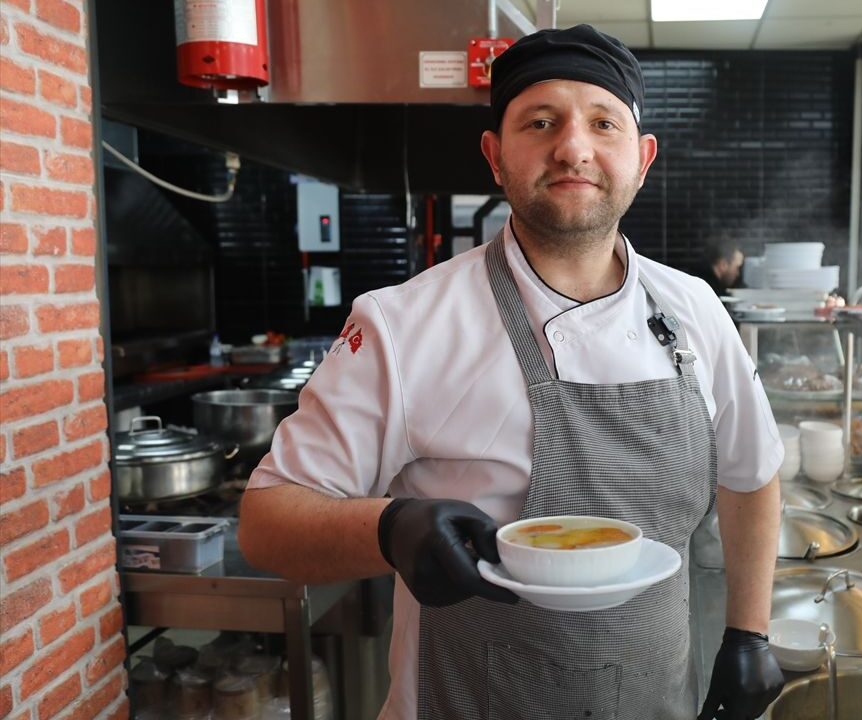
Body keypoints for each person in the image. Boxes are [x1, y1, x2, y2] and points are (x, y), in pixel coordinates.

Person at [237, 25, 785, 720]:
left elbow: (752, 474)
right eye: (541, 122)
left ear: (642, 159)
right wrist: (389, 528)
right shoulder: (402, 324)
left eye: (603, 123)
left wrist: (748, 632)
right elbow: (265, 522)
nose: (574, 148)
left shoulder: (695, 309)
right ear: (495, 156)